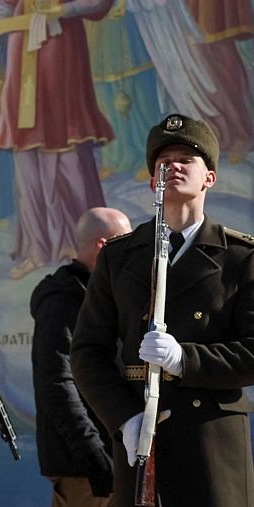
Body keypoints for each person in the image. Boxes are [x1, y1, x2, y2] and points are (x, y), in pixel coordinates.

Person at [71, 113, 254, 506]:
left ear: (210, 177)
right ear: (153, 179)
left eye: (187, 158)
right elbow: (87, 352)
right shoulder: (120, 257)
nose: (172, 166)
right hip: (140, 438)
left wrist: (184, 358)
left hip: (211, 443)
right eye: (163, 160)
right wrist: (123, 417)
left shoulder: (240, 259)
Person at [0, 0, 114, 279]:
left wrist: (64, 11)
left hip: (59, 51)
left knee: (65, 148)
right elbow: (4, 7)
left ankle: (75, 243)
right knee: (27, 156)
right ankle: (37, 248)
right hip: (21, 57)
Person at [30, 207, 131, 506]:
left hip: (111, 458)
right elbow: (57, 383)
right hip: (84, 469)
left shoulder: (100, 296)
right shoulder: (62, 302)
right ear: (103, 246)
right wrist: (93, 454)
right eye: (124, 243)